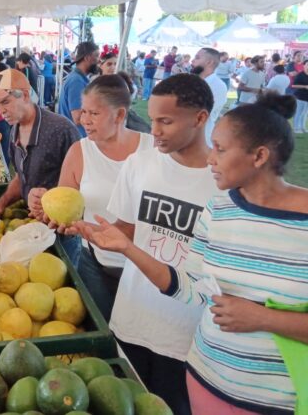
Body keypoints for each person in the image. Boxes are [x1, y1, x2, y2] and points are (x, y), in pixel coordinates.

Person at [83, 92, 308, 414]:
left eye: (221, 149)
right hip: (205, 382)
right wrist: (128, 248)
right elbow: (191, 289)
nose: (211, 159)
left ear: (259, 156)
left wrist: (265, 318)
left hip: (277, 401)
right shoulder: (218, 210)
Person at [66, 74, 217, 414]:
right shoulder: (141, 164)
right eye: (152, 120)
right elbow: (128, 229)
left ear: (200, 118)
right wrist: (97, 234)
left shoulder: (221, 182)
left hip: (186, 334)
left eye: (165, 121)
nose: (156, 130)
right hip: (132, 318)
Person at [27, 75, 153, 319]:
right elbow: (63, 210)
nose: (83, 120)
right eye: (83, 112)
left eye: (94, 114)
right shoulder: (79, 152)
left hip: (145, 268)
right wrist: (41, 202)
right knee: (105, 329)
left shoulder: (153, 151)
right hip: (95, 265)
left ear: (119, 115)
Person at [0, 69, 80, 218]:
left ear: (24, 95)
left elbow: (85, 183)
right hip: (33, 225)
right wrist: (1, 203)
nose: (1, 110)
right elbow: (21, 178)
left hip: (61, 230)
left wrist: (49, 197)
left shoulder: (61, 130)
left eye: (5, 101)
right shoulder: (14, 131)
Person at [58, 41, 99, 137]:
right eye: (96, 56)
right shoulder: (76, 81)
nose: (98, 60)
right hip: (76, 137)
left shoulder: (78, 78)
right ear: (87, 58)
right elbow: (77, 118)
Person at [190, 47, 228, 148]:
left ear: (209, 62)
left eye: (197, 58)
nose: (192, 60)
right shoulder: (191, 81)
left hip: (200, 140)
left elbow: (198, 112)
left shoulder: (218, 86)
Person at [292, 67, 308, 133]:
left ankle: (302, 127)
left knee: (305, 113)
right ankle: (296, 128)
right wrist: (305, 86)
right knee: (298, 112)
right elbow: (293, 85)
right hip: (300, 97)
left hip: (307, 98)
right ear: (304, 66)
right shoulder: (300, 75)